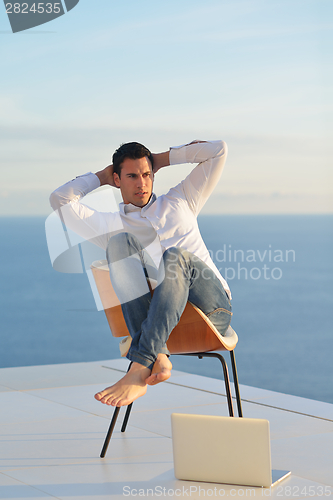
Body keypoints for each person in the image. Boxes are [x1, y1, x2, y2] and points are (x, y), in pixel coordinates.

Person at [49, 139, 232, 408]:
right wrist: (101, 177)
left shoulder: (181, 199)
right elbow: (60, 199)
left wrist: (159, 159)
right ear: (117, 179)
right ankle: (156, 354)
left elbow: (218, 151)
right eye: (132, 176)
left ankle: (141, 363)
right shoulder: (111, 225)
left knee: (176, 256)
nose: (141, 183)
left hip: (209, 312)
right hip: (163, 326)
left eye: (146, 175)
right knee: (118, 244)